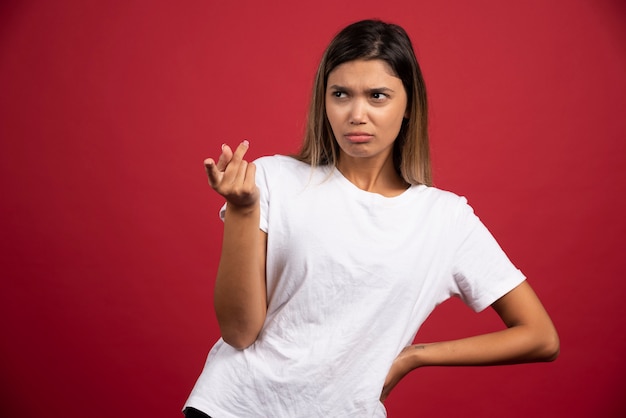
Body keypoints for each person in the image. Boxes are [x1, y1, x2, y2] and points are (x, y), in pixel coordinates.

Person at [183, 19, 559, 418]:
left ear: (409, 105)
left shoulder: (445, 219)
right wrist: (243, 209)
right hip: (233, 407)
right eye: (341, 94)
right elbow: (239, 333)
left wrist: (414, 356)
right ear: (323, 101)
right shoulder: (273, 179)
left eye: (377, 96)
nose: (356, 114)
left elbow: (540, 337)